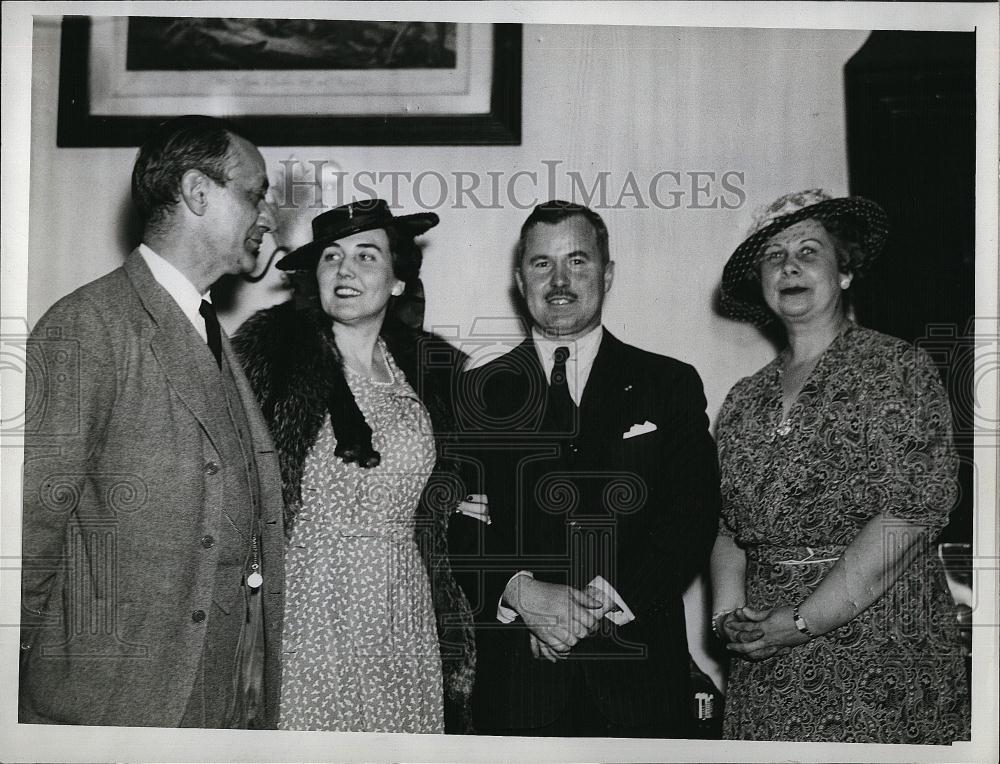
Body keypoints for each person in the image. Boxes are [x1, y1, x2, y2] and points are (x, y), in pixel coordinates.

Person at [19, 115, 286, 728]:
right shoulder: (86, 325)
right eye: (254, 193)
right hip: (113, 704)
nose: (266, 217)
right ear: (197, 192)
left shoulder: (208, 329)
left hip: (217, 692)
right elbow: (26, 532)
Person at [450, 200, 720, 737]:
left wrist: (587, 609)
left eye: (578, 261)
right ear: (518, 277)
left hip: (639, 682)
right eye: (541, 263)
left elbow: (691, 516)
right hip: (518, 688)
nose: (559, 281)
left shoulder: (668, 383)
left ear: (608, 272)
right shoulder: (472, 391)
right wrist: (524, 594)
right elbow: (456, 523)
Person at [711, 189, 971, 743]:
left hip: (881, 655)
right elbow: (728, 526)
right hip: (767, 665)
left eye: (809, 251)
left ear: (845, 272)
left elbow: (912, 514)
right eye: (773, 256)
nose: (789, 266)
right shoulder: (742, 399)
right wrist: (728, 616)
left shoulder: (897, 367)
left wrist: (805, 620)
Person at [232, 199, 475, 733]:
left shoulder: (429, 373)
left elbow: (446, 487)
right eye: (330, 258)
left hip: (401, 605)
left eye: (367, 256)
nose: (345, 270)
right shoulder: (269, 366)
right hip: (307, 604)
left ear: (395, 281)